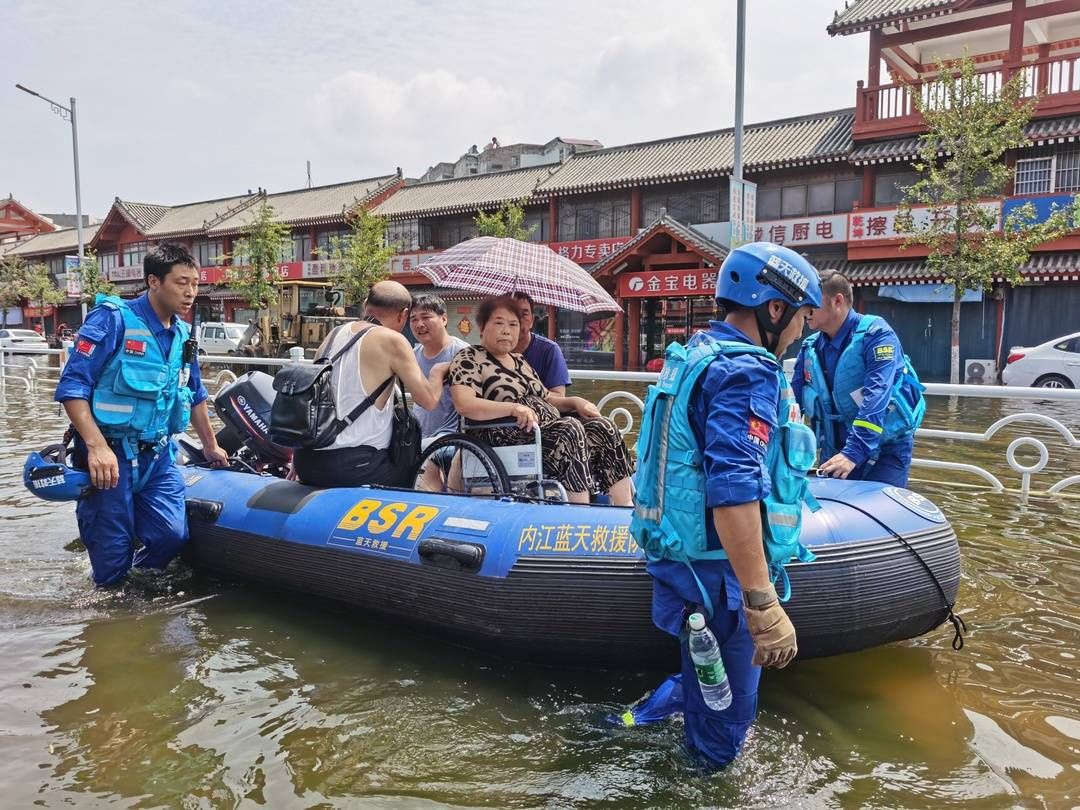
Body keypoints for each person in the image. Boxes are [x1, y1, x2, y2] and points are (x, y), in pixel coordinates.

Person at [631, 242, 822, 767]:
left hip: (683, 562)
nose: (804, 333)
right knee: (727, 727)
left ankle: (631, 722)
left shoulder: (696, 353)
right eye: (803, 317)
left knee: (703, 673)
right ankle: (704, 781)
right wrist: (761, 602)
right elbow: (734, 489)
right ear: (774, 309)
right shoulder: (746, 372)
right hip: (720, 578)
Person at [54, 244, 229, 587]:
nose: (191, 292)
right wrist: (97, 447)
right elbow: (73, 387)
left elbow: (194, 393)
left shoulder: (183, 334)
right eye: (182, 283)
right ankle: (111, 597)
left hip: (158, 455)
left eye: (196, 283)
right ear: (153, 281)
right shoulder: (113, 319)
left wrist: (210, 446)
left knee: (171, 535)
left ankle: (134, 583)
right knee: (110, 558)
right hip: (111, 457)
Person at [448, 295, 633, 505]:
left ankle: (624, 508)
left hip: (543, 429)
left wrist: (575, 402)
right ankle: (580, 510)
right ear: (482, 326)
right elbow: (465, 404)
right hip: (504, 433)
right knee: (569, 429)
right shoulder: (469, 358)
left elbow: (546, 397)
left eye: (513, 324)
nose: (506, 330)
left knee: (603, 427)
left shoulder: (520, 361)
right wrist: (513, 408)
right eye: (498, 323)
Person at [291, 280, 446, 489]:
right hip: (357, 466)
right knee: (414, 467)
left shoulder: (333, 334)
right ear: (403, 314)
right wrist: (437, 372)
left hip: (307, 461)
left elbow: (311, 398)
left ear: (366, 306)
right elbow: (427, 401)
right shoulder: (392, 340)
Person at [792, 270, 924, 487]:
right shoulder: (810, 348)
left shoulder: (878, 335)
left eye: (812, 302)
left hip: (884, 453)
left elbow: (877, 394)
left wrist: (853, 453)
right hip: (835, 453)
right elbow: (793, 404)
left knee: (881, 513)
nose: (805, 310)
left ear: (837, 301)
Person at [409, 293, 469, 491]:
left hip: (449, 437)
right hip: (418, 434)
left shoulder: (463, 353)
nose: (419, 324)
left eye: (426, 317)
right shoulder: (412, 355)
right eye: (413, 319)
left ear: (444, 318)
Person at [512, 291, 571, 394]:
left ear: (532, 320)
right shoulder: (490, 351)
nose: (517, 319)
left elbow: (559, 395)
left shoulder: (549, 350)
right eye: (512, 313)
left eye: (524, 314)